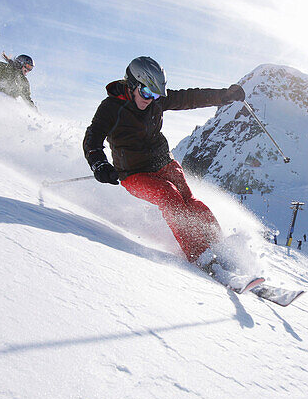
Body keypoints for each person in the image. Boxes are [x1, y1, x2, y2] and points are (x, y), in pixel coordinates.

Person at [83, 56, 244, 267]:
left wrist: (224, 96)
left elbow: (190, 98)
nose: (150, 99)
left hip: (163, 162)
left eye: (156, 94)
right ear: (132, 85)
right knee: (168, 195)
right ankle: (201, 257)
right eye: (146, 92)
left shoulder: (156, 101)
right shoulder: (111, 108)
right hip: (134, 173)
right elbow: (92, 138)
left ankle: (221, 249)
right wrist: (100, 164)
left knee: (190, 201)